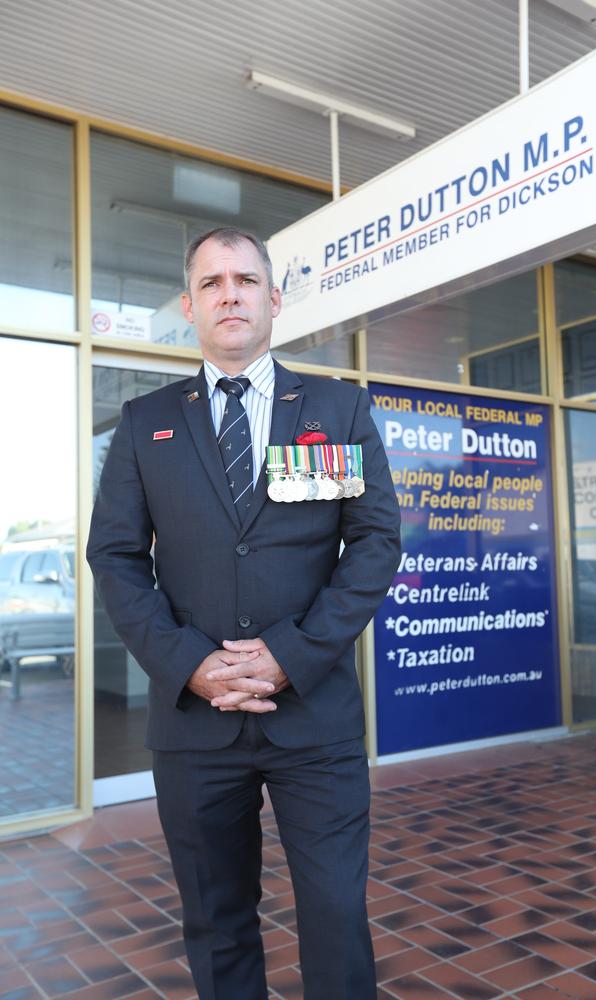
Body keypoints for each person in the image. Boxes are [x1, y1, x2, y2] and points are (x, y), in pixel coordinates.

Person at [87, 227, 401, 1000]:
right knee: (216, 919)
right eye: (214, 281)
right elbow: (116, 556)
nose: (232, 293)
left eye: (247, 279)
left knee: (334, 911)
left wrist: (290, 654)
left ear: (274, 298)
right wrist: (187, 663)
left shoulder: (338, 409)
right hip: (194, 724)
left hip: (314, 716)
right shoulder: (144, 423)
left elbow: (373, 543)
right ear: (190, 305)